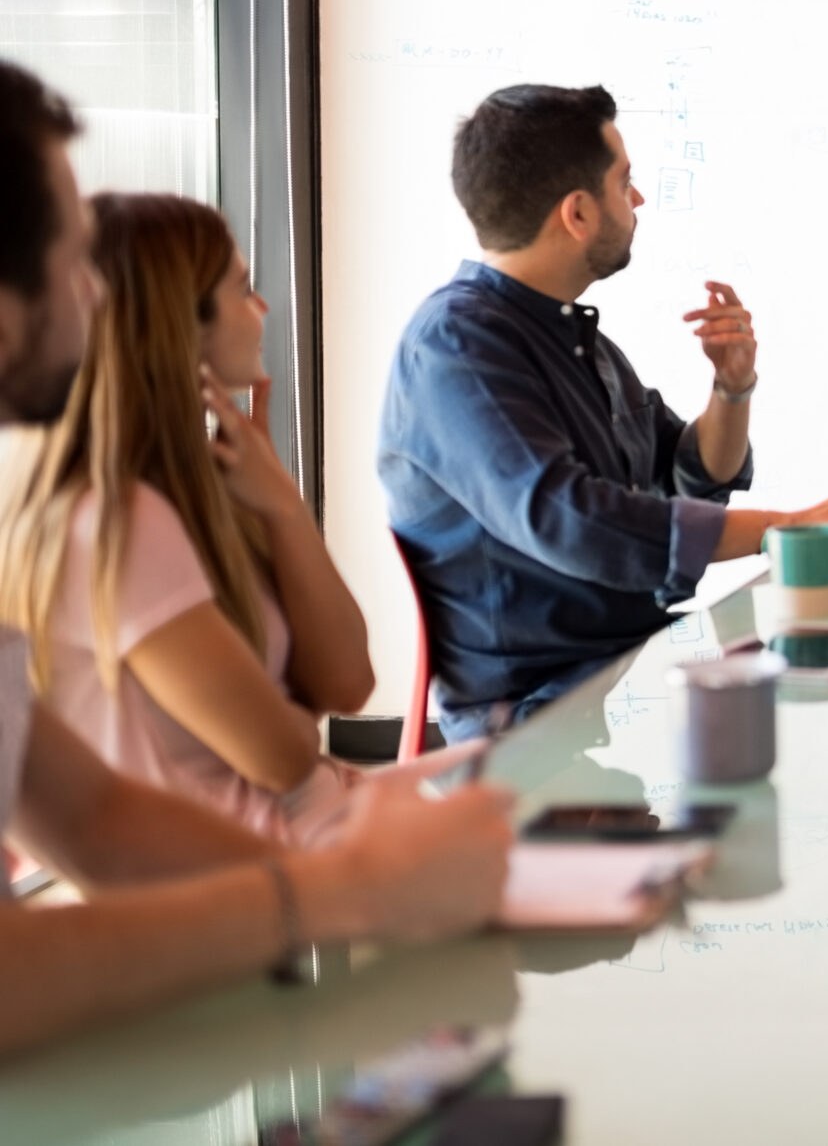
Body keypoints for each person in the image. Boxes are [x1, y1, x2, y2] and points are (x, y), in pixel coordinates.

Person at [0, 59, 512, 1060]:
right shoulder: (107, 520)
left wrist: (347, 887)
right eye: (70, 260)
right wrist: (345, 889)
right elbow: (282, 757)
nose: (90, 294)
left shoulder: (185, 489)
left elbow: (96, 816)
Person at [380, 84, 828, 738]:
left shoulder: (572, 338)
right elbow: (577, 522)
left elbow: (692, 476)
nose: (639, 199)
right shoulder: (455, 346)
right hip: (521, 734)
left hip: (603, 694)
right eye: (626, 182)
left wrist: (731, 387)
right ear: (579, 214)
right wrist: (788, 529)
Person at [0, 195, 372, 841]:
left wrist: (282, 505)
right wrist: (293, 719)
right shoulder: (119, 521)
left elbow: (347, 681)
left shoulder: (199, 484)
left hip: (295, 846)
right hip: (249, 877)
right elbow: (284, 757)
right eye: (243, 289)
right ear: (180, 324)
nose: (262, 312)